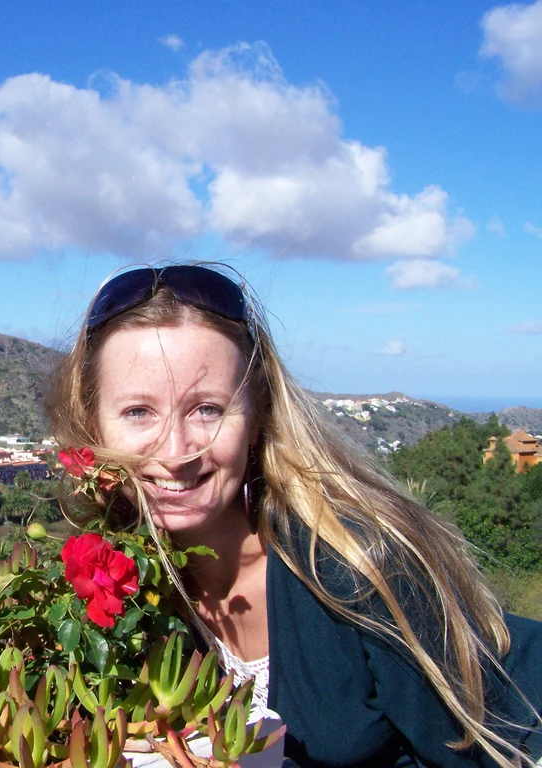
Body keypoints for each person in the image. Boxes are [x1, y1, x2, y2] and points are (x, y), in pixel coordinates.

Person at [47, 264, 542, 767]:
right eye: (138, 412)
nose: (176, 451)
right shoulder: (127, 586)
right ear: (93, 425)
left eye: (208, 410)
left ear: (258, 413)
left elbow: (472, 756)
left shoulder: (356, 565)